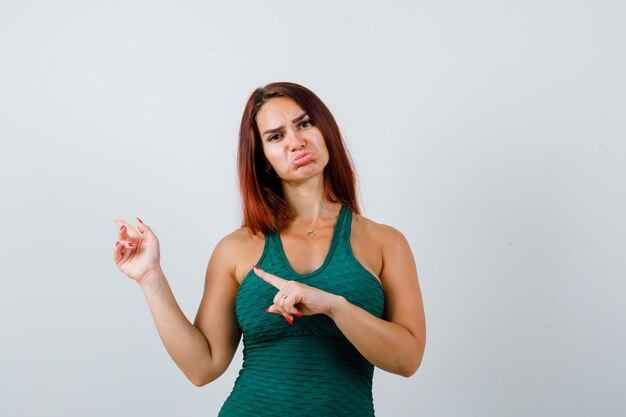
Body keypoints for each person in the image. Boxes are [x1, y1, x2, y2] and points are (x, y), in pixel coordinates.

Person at [112, 82, 426, 416]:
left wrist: (335, 306)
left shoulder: (386, 243)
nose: (296, 141)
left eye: (304, 124)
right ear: (263, 159)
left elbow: (407, 360)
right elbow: (203, 367)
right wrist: (150, 277)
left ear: (325, 130)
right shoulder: (235, 249)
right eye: (276, 136)